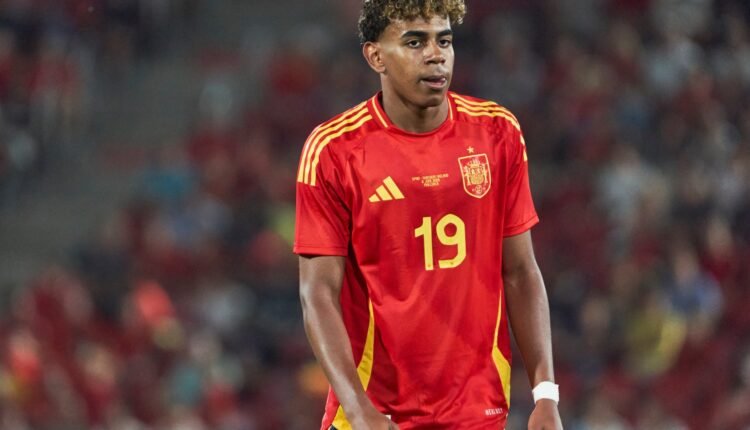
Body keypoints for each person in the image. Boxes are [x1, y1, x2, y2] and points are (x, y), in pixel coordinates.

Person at [294, 1, 563, 429]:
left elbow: (521, 272)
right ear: (375, 56)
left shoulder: (497, 133)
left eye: (445, 41)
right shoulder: (334, 151)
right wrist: (358, 408)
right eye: (415, 42)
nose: (436, 55)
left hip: (477, 412)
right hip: (375, 415)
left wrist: (545, 393)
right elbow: (318, 294)